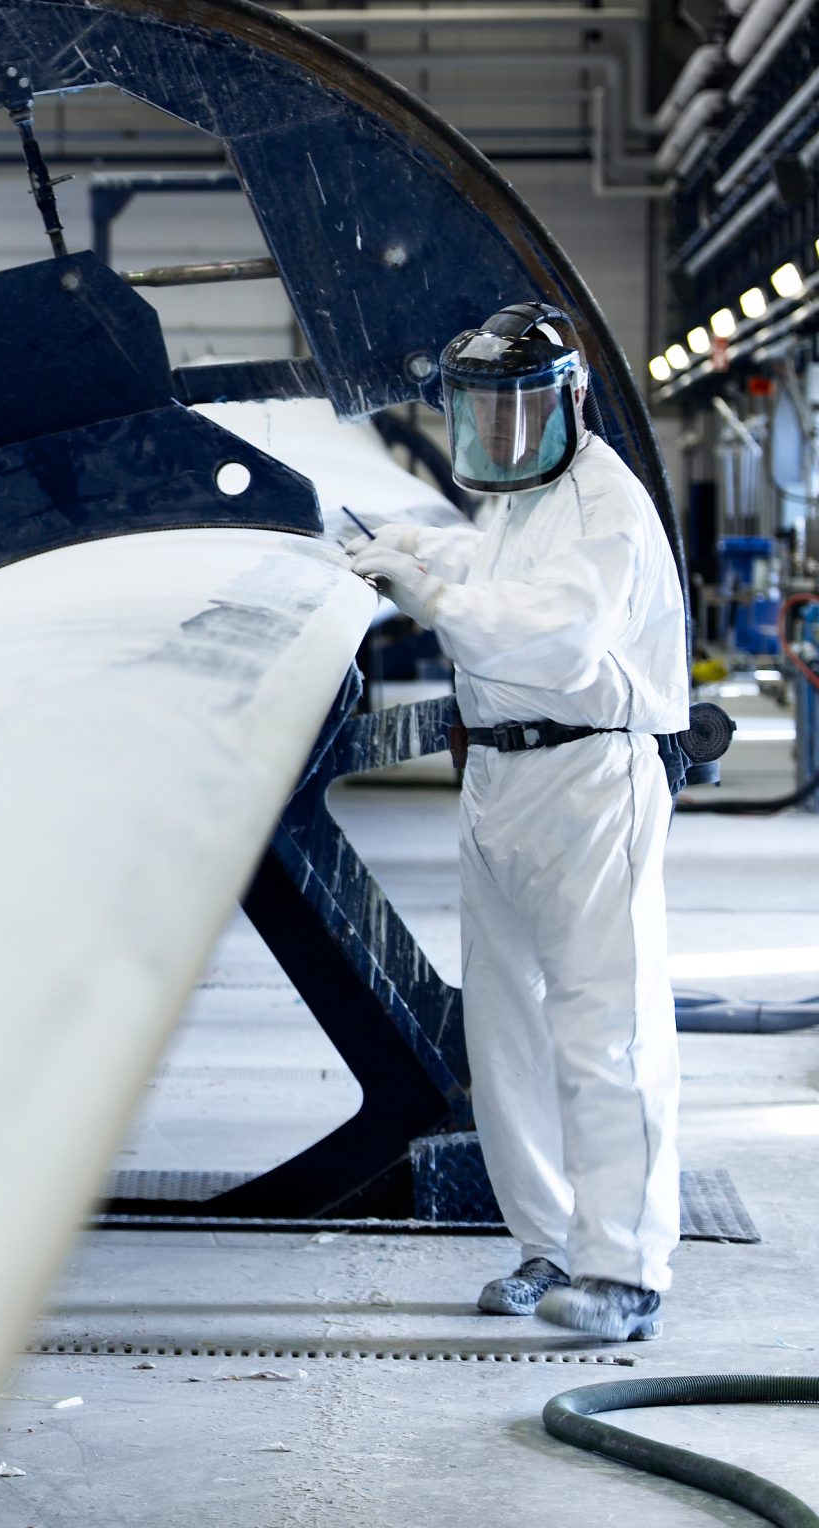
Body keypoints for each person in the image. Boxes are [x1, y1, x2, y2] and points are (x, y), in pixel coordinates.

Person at [347, 304, 686, 1343]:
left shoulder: (606, 505)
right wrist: (413, 546)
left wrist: (430, 597)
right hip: (498, 777)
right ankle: (549, 1245)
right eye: (481, 413)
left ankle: (625, 1271)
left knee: (604, 1025)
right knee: (508, 1033)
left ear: (570, 400)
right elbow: (490, 574)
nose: (497, 432)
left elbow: (557, 635)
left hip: (588, 776)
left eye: (517, 410)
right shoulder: (513, 499)